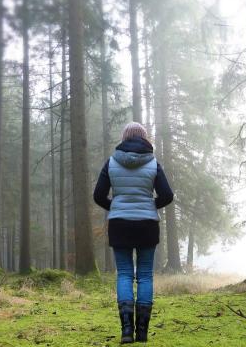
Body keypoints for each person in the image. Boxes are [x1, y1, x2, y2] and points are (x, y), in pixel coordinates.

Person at [93, 122, 173, 344]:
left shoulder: (111, 162)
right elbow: (167, 195)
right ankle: (143, 333)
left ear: (124, 138)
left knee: (125, 274)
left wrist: (117, 207)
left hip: (119, 224)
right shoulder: (154, 163)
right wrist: (149, 205)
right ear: (145, 138)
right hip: (147, 224)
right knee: (145, 275)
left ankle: (126, 331)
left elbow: (98, 196)